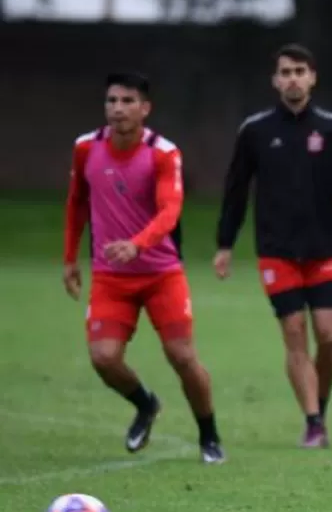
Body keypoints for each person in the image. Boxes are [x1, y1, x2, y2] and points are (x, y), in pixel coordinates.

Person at [63, 71, 224, 464]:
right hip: (109, 276)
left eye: (127, 101)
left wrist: (137, 245)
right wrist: (70, 257)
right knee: (103, 357)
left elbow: (171, 210)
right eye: (112, 101)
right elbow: (76, 202)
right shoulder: (86, 148)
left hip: (160, 273)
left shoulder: (163, 153)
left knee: (182, 358)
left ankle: (209, 435)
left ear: (145, 108)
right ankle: (145, 404)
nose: (118, 109)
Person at [214, 43, 332, 448]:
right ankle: (314, 422)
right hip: (276, 252)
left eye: (299, 71)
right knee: (295, 332)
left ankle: (319, 399)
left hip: (322, 251)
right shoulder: (256, 131)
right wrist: (224, 244)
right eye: (285, 72)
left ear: (312, 77)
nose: (292, 78)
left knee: (330, 338)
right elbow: (235, 191)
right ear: (275, 80)